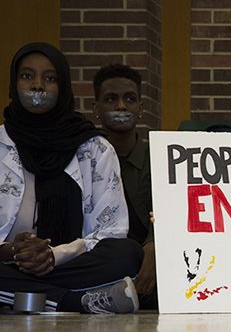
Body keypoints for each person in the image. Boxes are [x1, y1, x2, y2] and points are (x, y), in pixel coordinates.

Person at [0, 43, 142, 313]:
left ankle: (17, 294)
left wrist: (53, 256)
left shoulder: (93, 149)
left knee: (127, 254)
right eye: (27, 76)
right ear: (13, 85)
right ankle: (76, 301)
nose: (38, 86)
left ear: (63, 87)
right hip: (6, 263)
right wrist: (12, 252)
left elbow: (110, 231)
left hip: (70, 266)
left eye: (50, 78)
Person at [92, 64, 156, 309]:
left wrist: (153, 247)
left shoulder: (157, 156)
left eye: (130, 99)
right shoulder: (86, 159)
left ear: (140, 108)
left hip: (152, 265)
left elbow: (169, 211)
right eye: (111, 99)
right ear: (96, 109)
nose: (121, 106)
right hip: (103, 260)